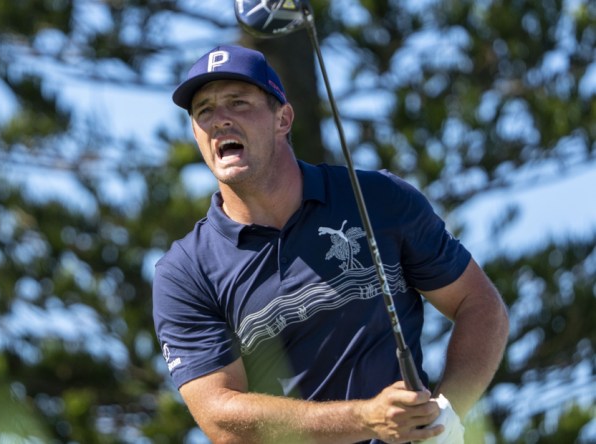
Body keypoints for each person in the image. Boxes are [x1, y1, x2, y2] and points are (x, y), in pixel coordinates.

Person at [152, 44, 509, 443]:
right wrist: (366, 419)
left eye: (238, 103)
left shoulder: (378, 198)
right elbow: (220, 416)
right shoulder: (184, 271)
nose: (220, 120)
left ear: (282, 118)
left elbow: (479, 303)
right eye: (204, 112)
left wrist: (447, 413)